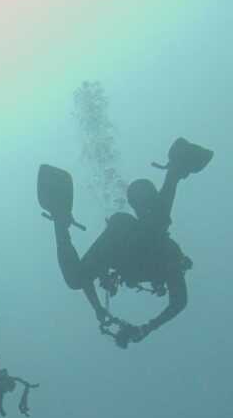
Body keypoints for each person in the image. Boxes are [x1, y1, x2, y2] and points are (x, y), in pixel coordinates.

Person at [42, 137, 212, 347]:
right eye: (138, 202)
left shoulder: (162, 251)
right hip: (127, 238)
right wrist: (146, 328)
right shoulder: (165, 253)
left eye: (142, 202)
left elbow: (85, 276)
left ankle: (60, 220)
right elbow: (179, 302)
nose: (140, 206)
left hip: (123, 239)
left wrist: (98, 308)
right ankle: (176, 169)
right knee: (153, 226)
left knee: (76, 278)